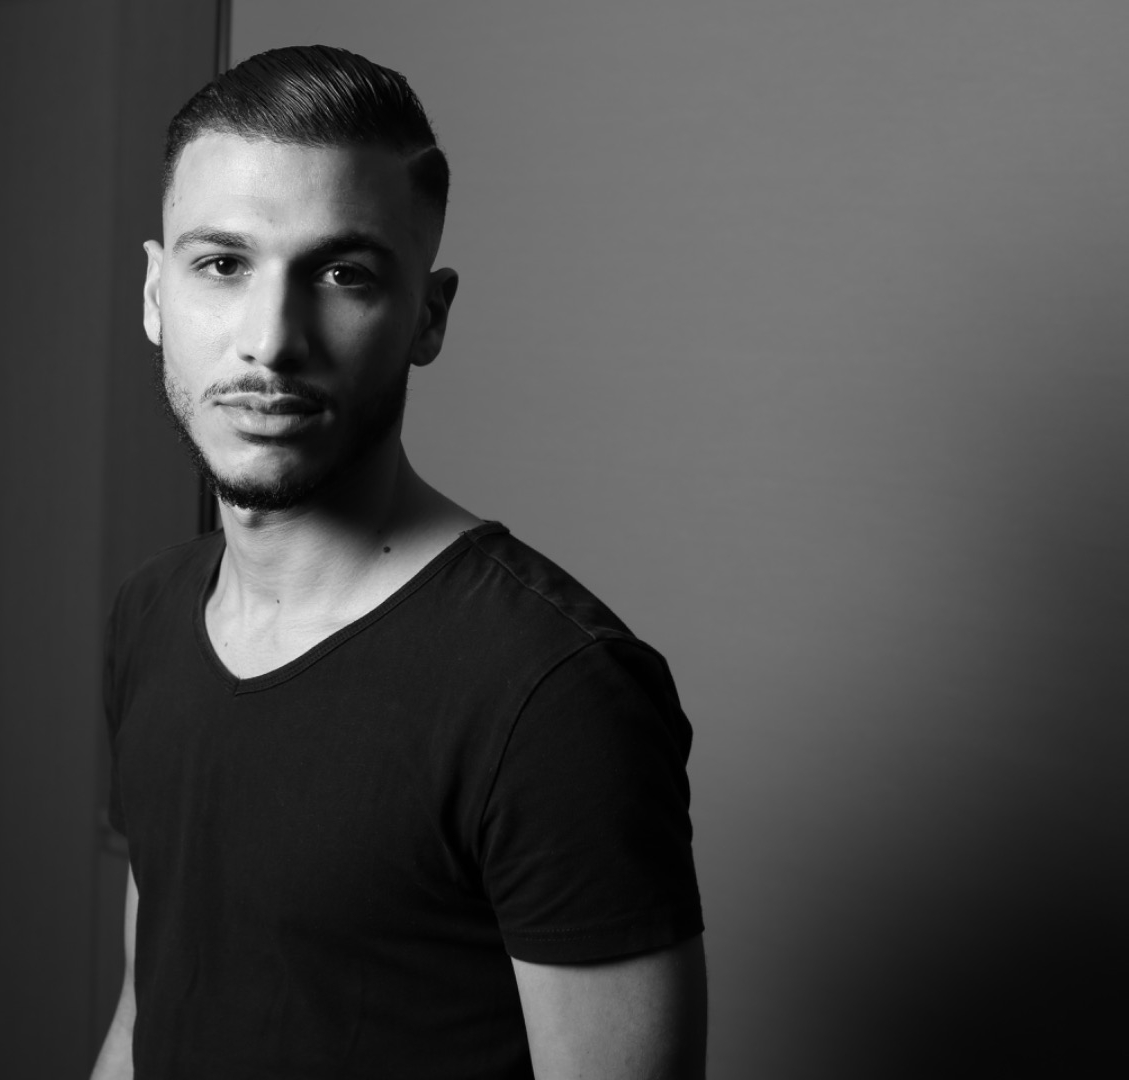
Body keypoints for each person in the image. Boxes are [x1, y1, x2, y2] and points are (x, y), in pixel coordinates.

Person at [91, 44, 706, 1080]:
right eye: (223, 265)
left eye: (344, 274)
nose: (271, 340)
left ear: (428, 314)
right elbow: (143, 1017)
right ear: (157, 293)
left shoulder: (554, 695)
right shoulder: (148, 616)